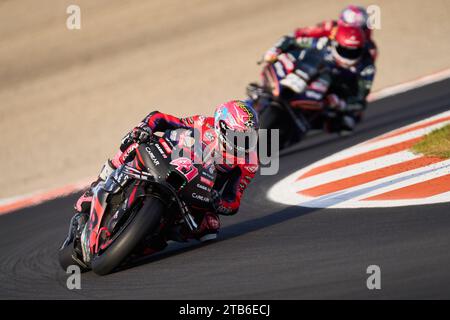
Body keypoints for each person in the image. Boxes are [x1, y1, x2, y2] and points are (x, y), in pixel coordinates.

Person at [67, 100, 259, 253]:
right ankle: (99, 184)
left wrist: (219, 203)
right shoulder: (202, 123)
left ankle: (152, 238)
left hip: (201, 195)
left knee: (209, 228)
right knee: (134, 144)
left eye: (248, 137)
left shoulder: (249, 162)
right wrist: (145, 128)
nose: (243, 142)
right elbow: (162, 118)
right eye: (238, 136)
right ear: (221, 127)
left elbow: (234, 201)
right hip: (174, 166)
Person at [261, 12, 376, 134]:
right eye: (344, 50)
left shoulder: (366, 67)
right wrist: (275, 50)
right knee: (277, 65)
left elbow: (360, 102)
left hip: (331, 95)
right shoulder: (324, 43)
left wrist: (341, 103)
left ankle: (305, 125)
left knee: (348, 122)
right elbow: (291, 40)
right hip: (307, 75)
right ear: (336, 42)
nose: (348, 55)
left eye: (354, 52)